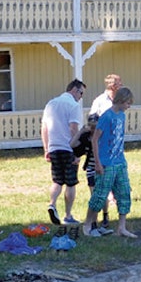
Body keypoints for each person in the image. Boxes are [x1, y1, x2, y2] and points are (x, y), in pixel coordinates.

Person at [83, 86, 135, 238]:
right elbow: (95, 140)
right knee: (100, 195)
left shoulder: (122, 116)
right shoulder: (106, 117)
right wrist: (98, 163)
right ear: (121, 100)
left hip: (120, 161)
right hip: (106, 162)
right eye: (128, 103)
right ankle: (87, 224)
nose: (129, 106)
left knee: (124, 192)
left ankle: (122, 227)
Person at [41, 79, 86, 224]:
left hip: (54, 147)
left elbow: (45, 129)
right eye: (81, 93)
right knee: (71, 182)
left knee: (57, 180)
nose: (81, 97)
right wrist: (77, 151)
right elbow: (73, 128)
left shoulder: (51, 104)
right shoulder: (73, 105)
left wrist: (46, 148)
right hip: (68, 148)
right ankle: (68, 215)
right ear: (74, 90)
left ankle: (52, 204)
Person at [73, 113, 109, 229]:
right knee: (94, 195)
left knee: (103, 194)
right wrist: (80, 132)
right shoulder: (86, 137)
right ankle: (94, 221)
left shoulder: (104, 136)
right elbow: (72, 145)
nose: (94, 129)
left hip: (103, 167)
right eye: (91, 126)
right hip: (91, 168)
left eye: (96, 126)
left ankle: (105, 215)